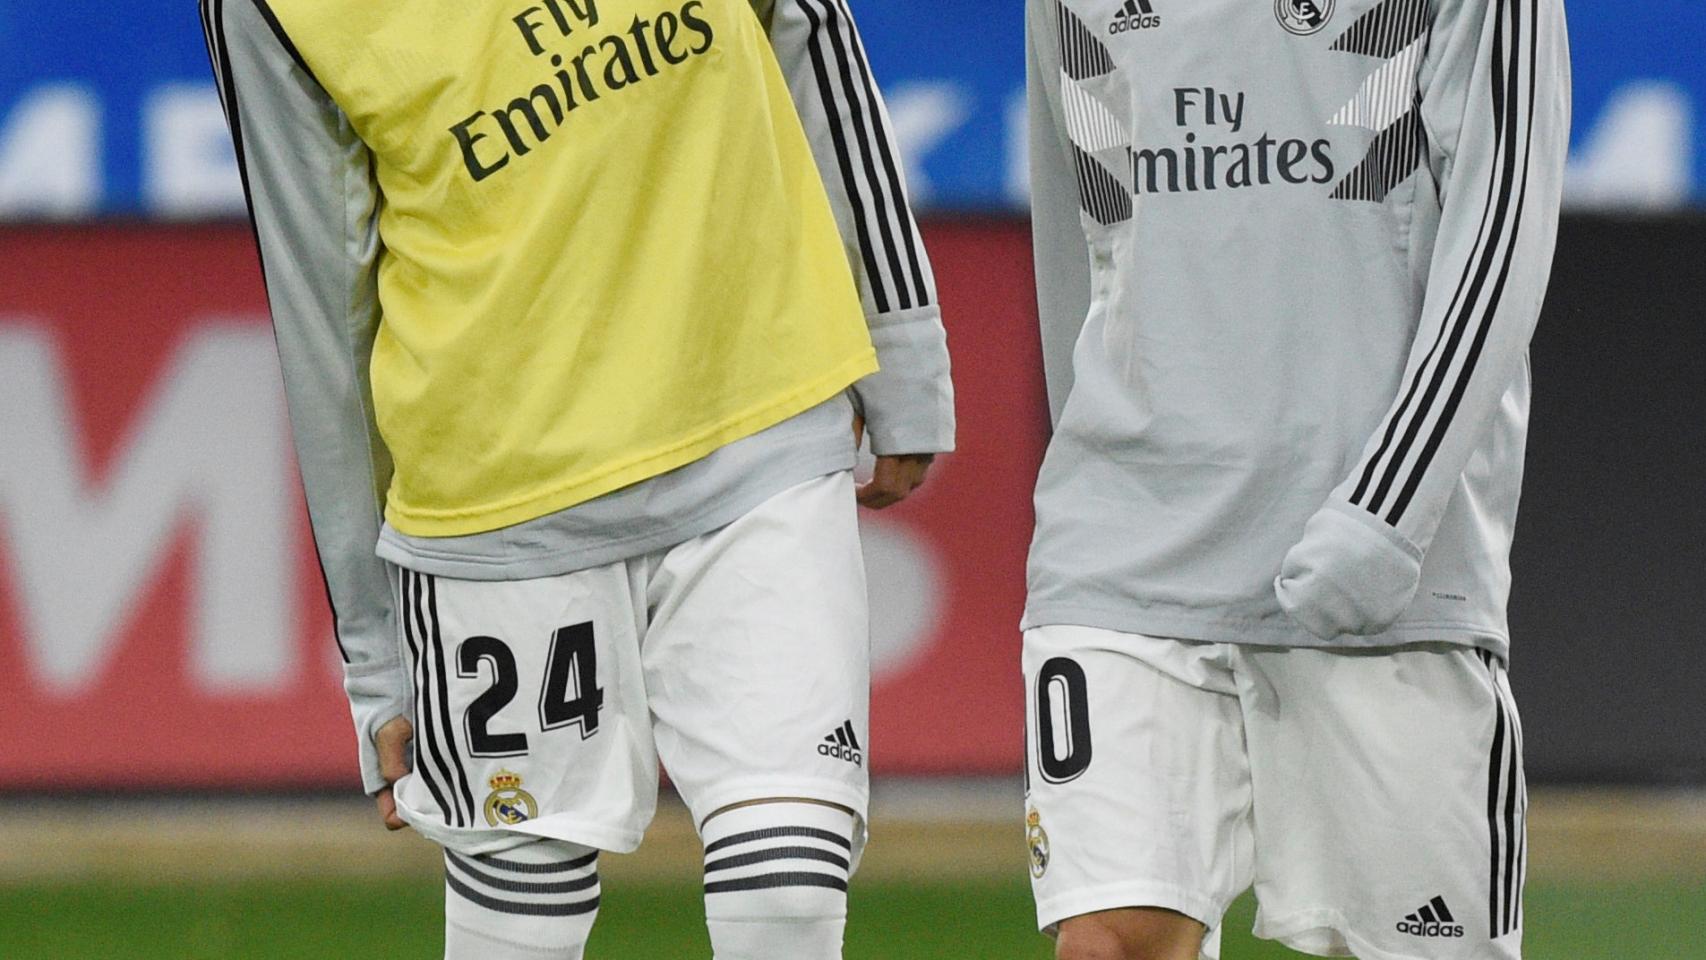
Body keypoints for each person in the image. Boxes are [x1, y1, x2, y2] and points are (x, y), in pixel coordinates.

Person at [199, 0, 953, 957]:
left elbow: (810, 30)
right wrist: (376, 651)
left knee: (787, 895)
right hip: (494, 498)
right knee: (520, 923)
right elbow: (319, 285)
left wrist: (901, 339)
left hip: (757, 399)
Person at [1022, 0, 1568, 958]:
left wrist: (1385, 517)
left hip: (1381, 573)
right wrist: (1086, 469)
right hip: (1125, 545)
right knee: (1110, 941)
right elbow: (1087, 229)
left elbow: (1501, 230)